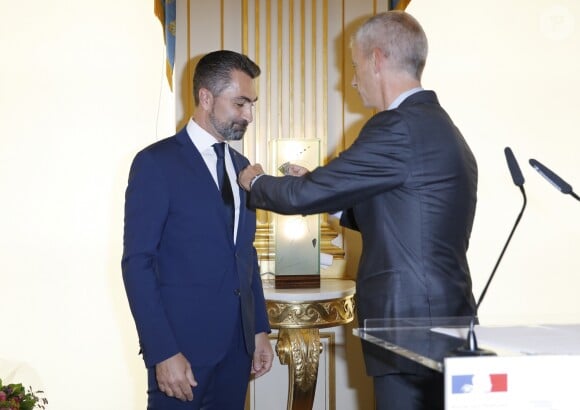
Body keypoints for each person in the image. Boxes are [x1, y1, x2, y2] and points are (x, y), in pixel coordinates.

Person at [238, 11, 477, 410]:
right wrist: (329, 195)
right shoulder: (439, 126)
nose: (352, 79)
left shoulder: (395, 126)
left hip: (407, 330)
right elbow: (398, 215)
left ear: (377, 60)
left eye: (354, 66)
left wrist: (257, 183)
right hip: (442, 321)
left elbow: (302, 195)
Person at [122, 50, 274, 409]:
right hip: (181, 356)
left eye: (251, 104)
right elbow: (137, 263)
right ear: (206, 97)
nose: (249, 115)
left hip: (237, 355)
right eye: (240, 103)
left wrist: (259, 331)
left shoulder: (242, 167)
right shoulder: (154, 163)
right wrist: (163, 351)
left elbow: (244, 253)